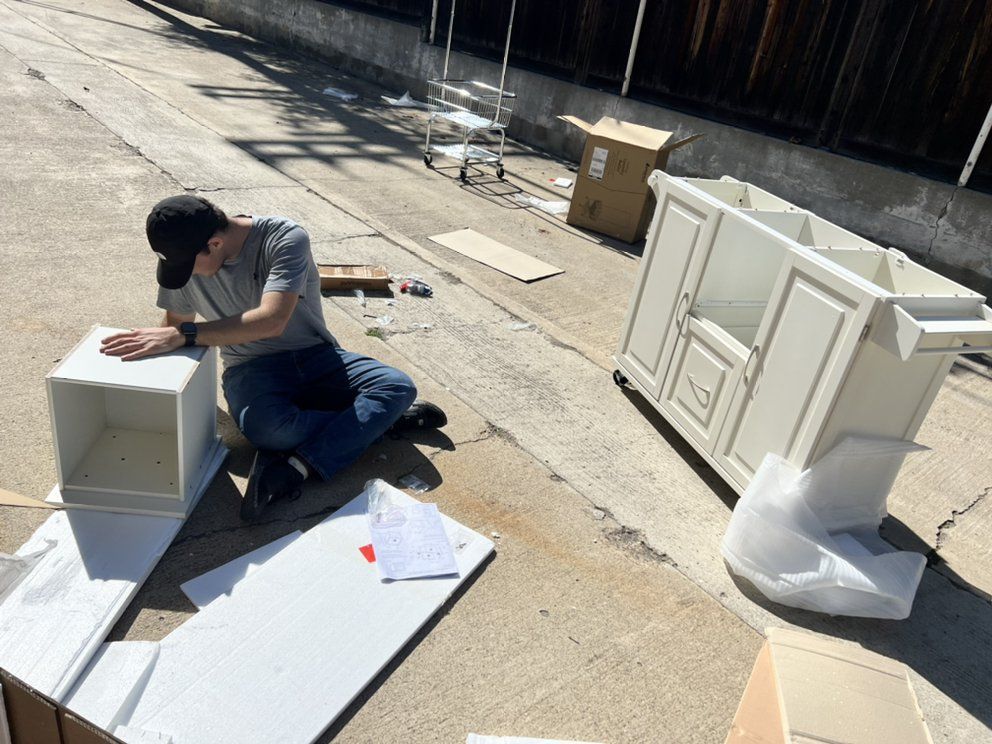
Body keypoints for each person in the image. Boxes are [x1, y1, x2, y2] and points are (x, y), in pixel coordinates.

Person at [100, 195, 446, 521]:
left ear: (215, 244)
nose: (186, 275)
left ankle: (297, 466)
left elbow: (272, 320)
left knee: (397, 387)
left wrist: (186, 334)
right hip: (250, 370)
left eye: (191, 266)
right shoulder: (184, 255)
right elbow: (175, 328)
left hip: (317, 356)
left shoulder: (283, 238)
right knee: (269, 431)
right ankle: (375, 423)